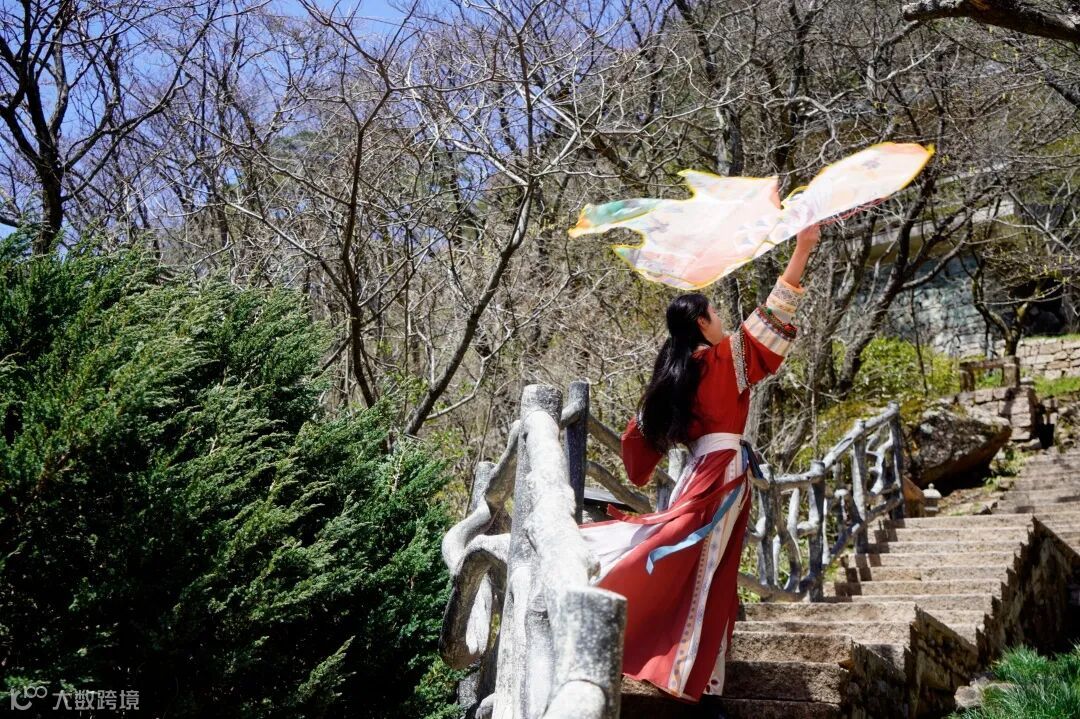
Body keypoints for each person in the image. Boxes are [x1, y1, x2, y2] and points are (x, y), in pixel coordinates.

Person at [579, 223, 820, 702]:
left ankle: (696, 674)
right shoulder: (721, 361)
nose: (723, 319)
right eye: (716, 313)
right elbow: (776, 310)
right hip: (722, 476)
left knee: (696, 564)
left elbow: (636, 450)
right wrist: (803, 248)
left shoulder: (673, 378)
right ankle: (684, 674)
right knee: (707, 569)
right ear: (703, 325)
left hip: (697, 474)